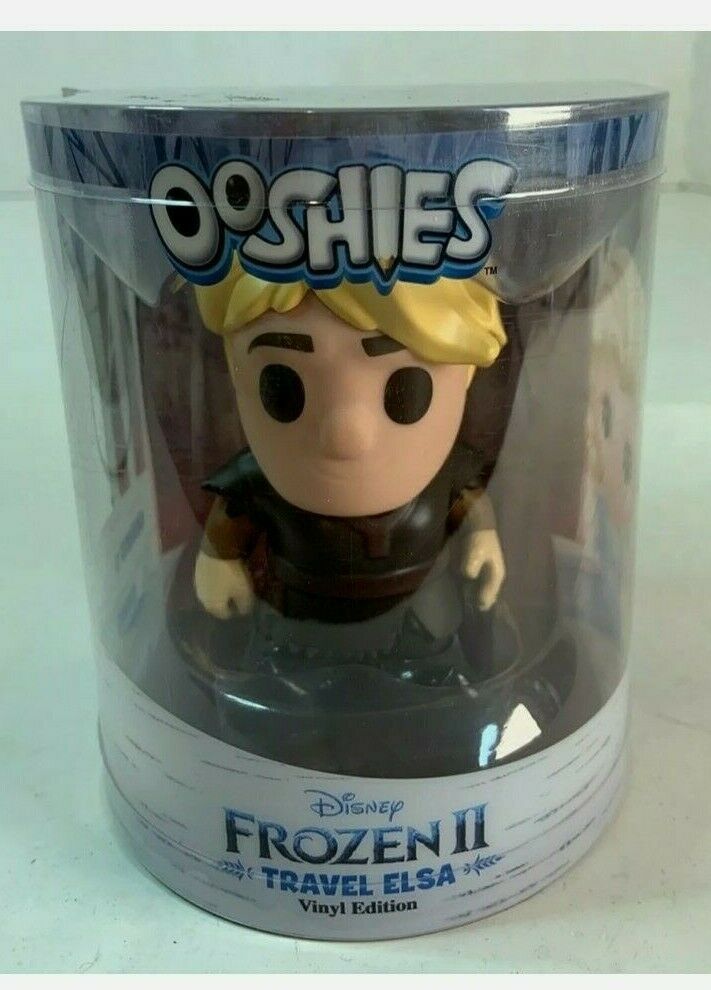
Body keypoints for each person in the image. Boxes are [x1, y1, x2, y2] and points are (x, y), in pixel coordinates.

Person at [191, 257, 509, 688]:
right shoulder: (262, 482)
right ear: (237, 371)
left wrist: (483, 538)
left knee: (433, 694)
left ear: (466, 372)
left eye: (405, 388)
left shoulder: (446, 477)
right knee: (292, 694)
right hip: (302, 630)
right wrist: (218, 558)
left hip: (422, 627)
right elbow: (233, 513)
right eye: (283, 386)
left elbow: (468, 505)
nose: (346, 437)